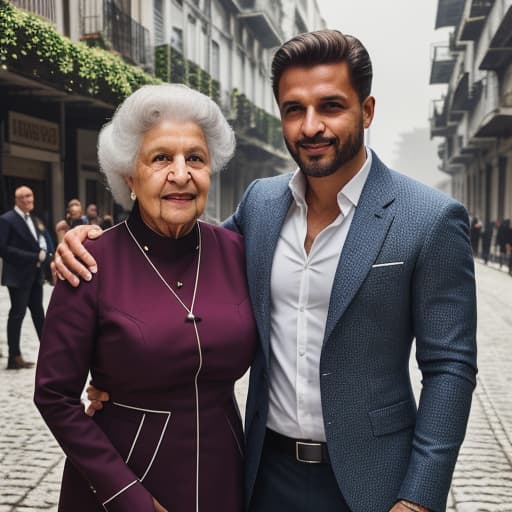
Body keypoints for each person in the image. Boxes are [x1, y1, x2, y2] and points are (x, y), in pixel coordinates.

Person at [54, 30, 478, 512]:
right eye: (294, 109)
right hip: (260, 474)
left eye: (331, 106)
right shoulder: (261, 204)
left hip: (373, 483)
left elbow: (450, 367)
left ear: (367, 110)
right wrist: (87, 242)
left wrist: (419, 497)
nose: (310, 126)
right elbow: (181, 254)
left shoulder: (430, 218)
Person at [34, 84, 257, 512]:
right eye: (161, 158)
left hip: (224, 473)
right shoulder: (89, 261)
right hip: (122, 478)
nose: (180, 173)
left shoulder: (238, 253)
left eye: (195, 158)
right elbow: (54, 395)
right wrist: (126, 496)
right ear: (130, 177)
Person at [0, 186, 52, 369]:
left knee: (39, 314)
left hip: (35, 274)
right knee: (17, 314)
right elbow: (4, 249)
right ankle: (14, 357)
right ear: (18, 200)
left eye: (31, 195)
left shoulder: (34, 219)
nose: (30, 200)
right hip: (18, 275)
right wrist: (33, 257)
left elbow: (41, 239)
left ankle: (49, 354)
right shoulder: (7, 220)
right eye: (26, 197)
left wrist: (45, 253)